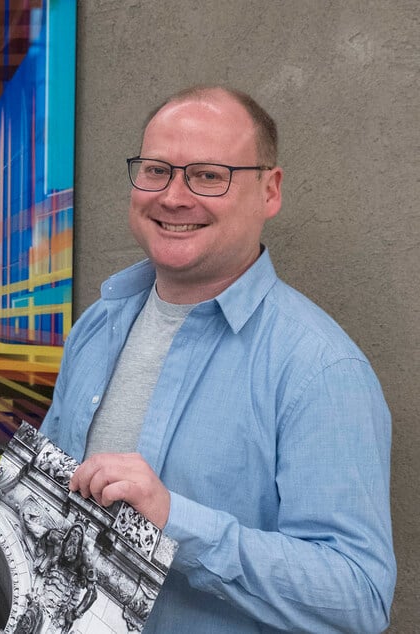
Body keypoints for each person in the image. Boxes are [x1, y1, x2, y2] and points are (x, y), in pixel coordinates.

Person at [39, 85, 396, 632]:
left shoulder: (320, 371)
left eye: (209, 175)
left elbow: (358, 598)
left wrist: (174, 524)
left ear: (269, 192)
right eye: (157, 170)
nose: (174, 197)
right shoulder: (95, 327)